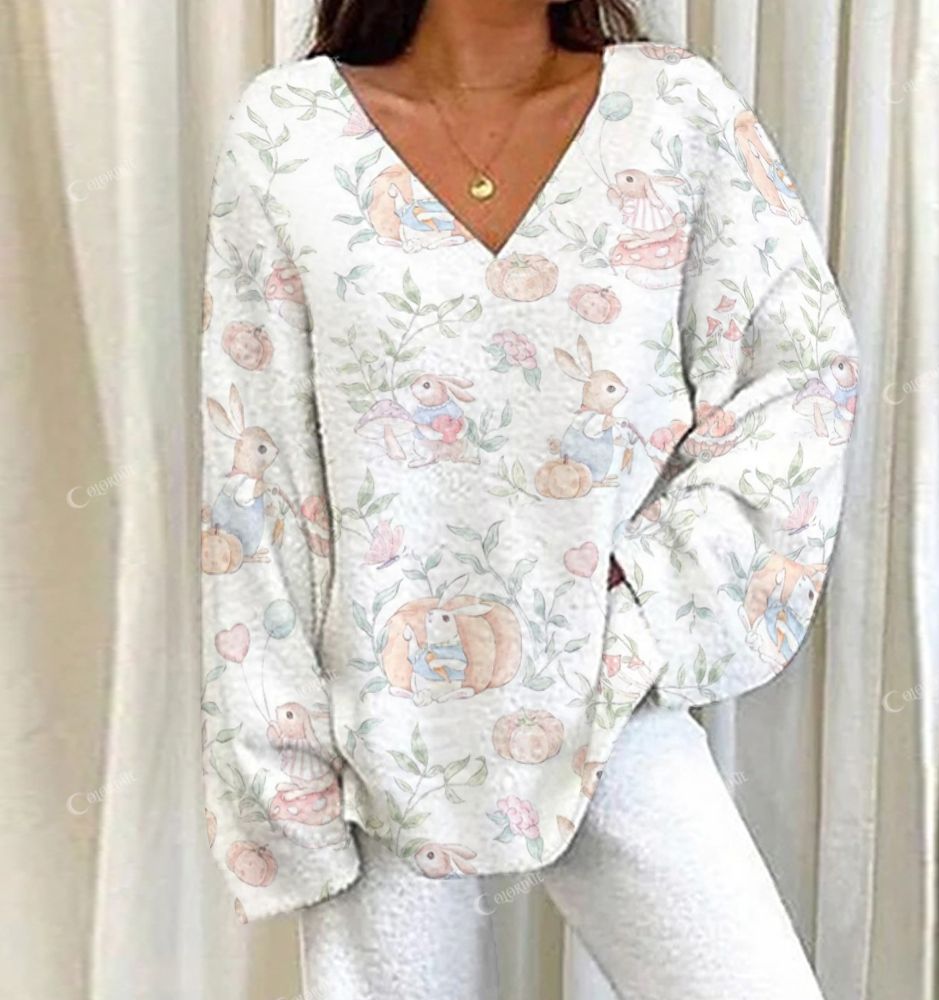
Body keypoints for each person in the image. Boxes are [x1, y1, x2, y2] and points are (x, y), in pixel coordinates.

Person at [198, 1, 859, 996]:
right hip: (376, 729)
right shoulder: (289, 133)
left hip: (605, 691)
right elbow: (257, 480)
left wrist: (649, 597)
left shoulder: (673, 112)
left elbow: (800, 379)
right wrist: (280, 766)